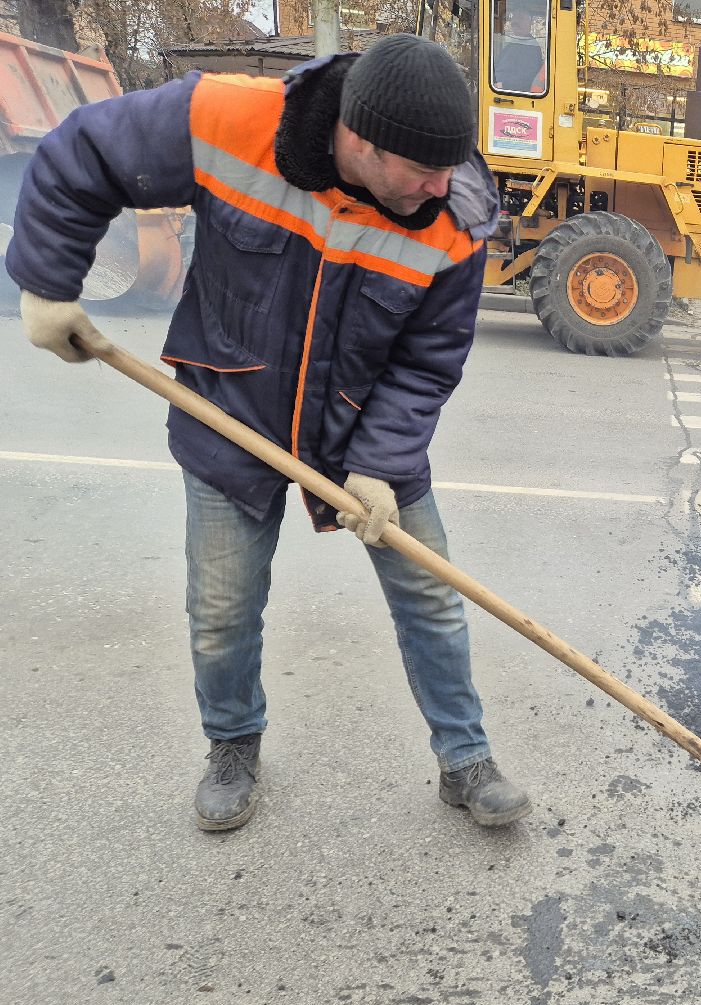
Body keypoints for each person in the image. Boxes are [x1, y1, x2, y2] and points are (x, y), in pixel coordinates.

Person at [7, 35, 533, 832]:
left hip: (361, 431)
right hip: (232, 412)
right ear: (359, 139)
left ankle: (466, 759)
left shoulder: (455, 217)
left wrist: (381, 466)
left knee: (432, 597)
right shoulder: (227, 118)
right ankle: (233, 747)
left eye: (449, 167)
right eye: (422, 170)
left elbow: (426, 364)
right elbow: (84, 151)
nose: (440, 186)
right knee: (222, 608)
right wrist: (47, 285)